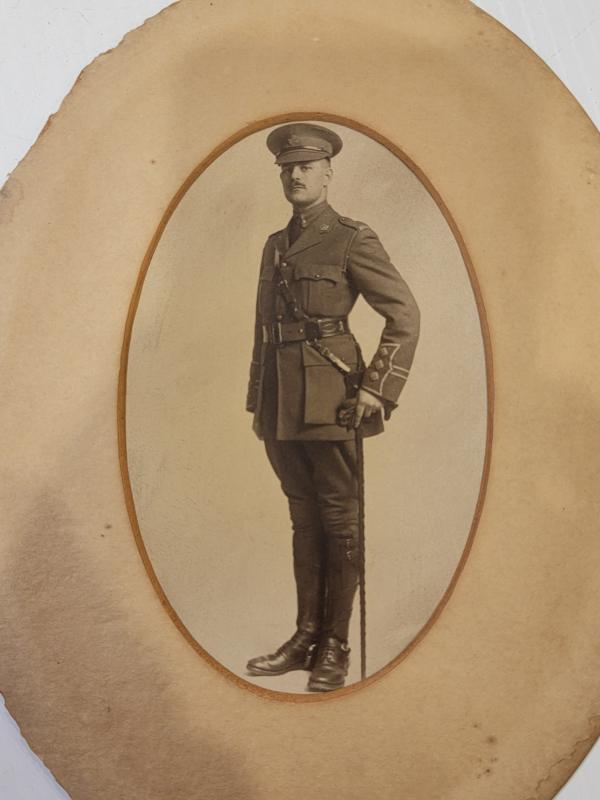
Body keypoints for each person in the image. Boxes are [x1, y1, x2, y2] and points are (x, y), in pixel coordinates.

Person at [245, 122, 420, 691]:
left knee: (339, 519)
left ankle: (335, 645)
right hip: (281, 402)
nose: (295, 175)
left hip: (333, 399)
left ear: (327, 173)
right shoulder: (276, 244)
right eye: (287, 169)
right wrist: (258, 399)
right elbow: (264, 329)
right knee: (303, 518)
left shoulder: (350, 237)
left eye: (306, 167)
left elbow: (404, 314)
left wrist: (376, 388)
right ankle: (304, 636)